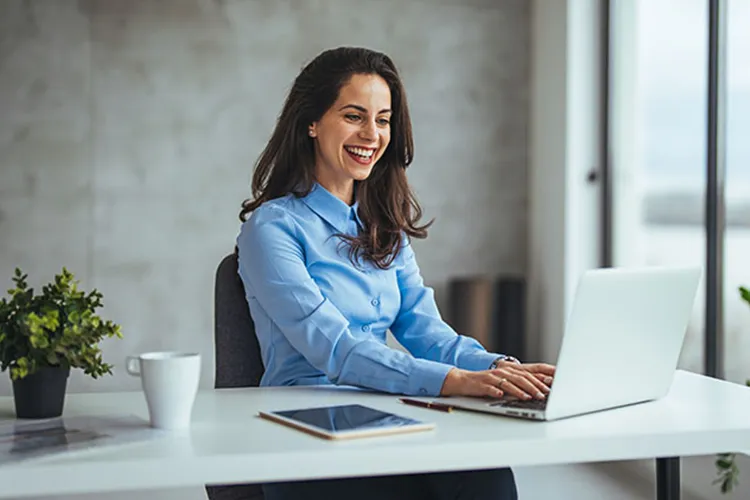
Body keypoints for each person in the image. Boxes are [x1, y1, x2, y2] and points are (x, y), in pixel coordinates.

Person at [236, 46, 555, 500]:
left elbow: (429, 334)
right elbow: (338, 350)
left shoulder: (384, 226)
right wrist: (454, 382)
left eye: (383, 119)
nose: (372, 134)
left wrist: (503, 371)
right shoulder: (272, 229)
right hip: (302, 431)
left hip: (380, 412)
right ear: (311, 122)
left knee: (486, 475)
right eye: (354, 116)